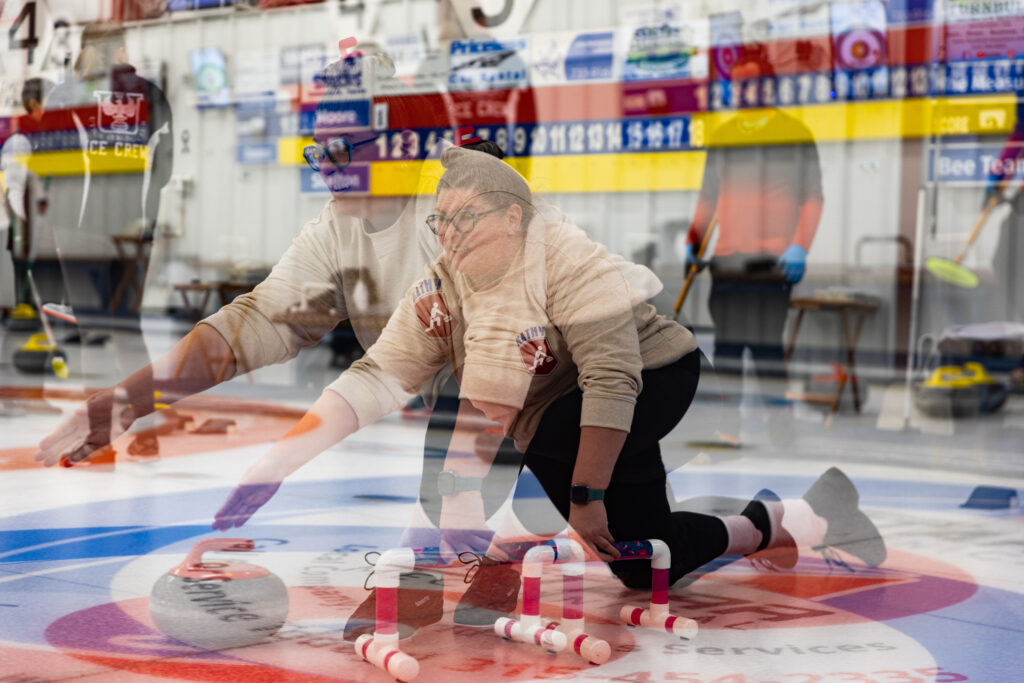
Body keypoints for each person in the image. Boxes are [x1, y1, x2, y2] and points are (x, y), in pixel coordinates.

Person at [212, 147, 884, 638]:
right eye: (439, 221)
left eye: (464, 218)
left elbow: (607, 381)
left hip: (654, 376)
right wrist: (272, 464)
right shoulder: (444, 281)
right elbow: (372, 378)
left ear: (513, 218)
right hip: (565, 412)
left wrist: (584, 496)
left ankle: (480, 563)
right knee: (642, 564)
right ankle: (795, 516)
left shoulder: (565, 258)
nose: (446, 236)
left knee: (528, 431)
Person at [32, 47, 537, 637]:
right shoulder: (334, 230)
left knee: (474, 413)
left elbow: (508, 357)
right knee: (647, 550)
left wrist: (425, 537)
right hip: (498, 407)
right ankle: (508, 544)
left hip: (587, 385)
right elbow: (255, 324)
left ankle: (447, 554)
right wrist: (123, 402)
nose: (323, 165)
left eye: (340, 150)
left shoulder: (459, 207)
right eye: (315, 150)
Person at [685, 46, 823, 445]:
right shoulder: (725, 135)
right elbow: (708, 197)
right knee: (727, 350)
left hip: (772, 263)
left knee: (765, 350)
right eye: (739, 84)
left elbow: (812, 197)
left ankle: (783, 434)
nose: (746, 90)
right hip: (727, 261)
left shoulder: (794, 133)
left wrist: (800, 246)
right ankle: (728, 429)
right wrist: (695, 240)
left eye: (754, 83)